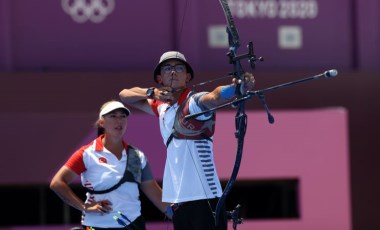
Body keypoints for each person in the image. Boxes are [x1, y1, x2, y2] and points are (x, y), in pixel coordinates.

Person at [119, 51, 255, 230]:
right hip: (178, 201)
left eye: (179, 68)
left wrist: (235, 88)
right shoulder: (161, 107)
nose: (173, 72)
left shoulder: (194, 102)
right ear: (160, 78)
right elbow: (124, 95)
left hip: (204, 199)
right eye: (167, 68)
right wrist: (152, 93)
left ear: (188, 76)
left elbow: (214, 97)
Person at [50, 100, 170, 230]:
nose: (119, 120)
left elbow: (155, 194)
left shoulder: (137, 156)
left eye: (123, 116)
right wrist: (84, 207)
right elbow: (57, 183)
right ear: (102, 122)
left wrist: (182, 217)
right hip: (96, 226)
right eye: (113, 116)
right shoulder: (87, 154)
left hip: (133, 226)